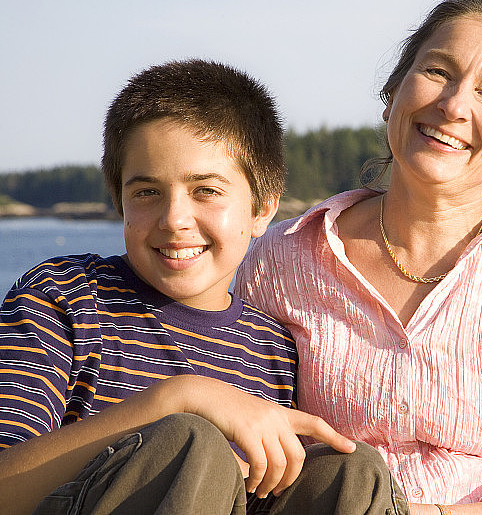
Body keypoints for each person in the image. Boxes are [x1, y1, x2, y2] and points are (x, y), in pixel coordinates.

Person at [236, 0, 482, 515]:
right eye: (438, 71)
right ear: (394, 90)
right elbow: (246, 442)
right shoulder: (279, 259)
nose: (455, 106)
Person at [0, 59, 355, 515]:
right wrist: (180, 397)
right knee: (190, 443)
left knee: (349, 471)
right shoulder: (64, 297)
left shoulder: (274, 352)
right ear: (119, 200)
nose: (174, 220)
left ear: (263, 209)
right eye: (147, 192)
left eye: (206, 190)